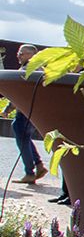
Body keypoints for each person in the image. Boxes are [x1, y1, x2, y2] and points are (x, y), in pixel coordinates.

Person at [8, 44, 46, 185]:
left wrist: (8, 109)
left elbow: (20, 93)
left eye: (21, 53)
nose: (18, 55)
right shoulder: (39, 68)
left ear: (31, 55)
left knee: (22, 138)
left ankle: (30, 173)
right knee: (25, 138)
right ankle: (39, 165)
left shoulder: (28, 69)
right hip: (32, 111)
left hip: (25, 112)